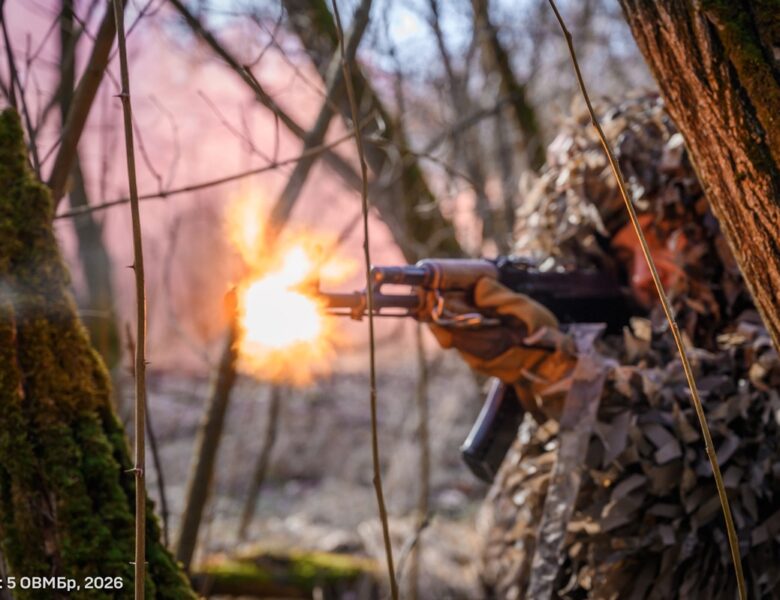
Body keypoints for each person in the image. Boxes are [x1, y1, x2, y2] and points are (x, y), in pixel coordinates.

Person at [430, 95, 780, 599]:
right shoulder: (627, 331)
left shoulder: (761, 325)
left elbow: (715, 448)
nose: (642, 275)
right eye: (623, 253)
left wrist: (565, 376)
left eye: (659, 235)